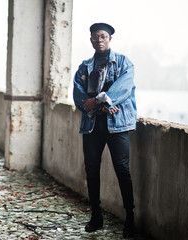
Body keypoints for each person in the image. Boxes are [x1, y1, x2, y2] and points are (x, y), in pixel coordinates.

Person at [73, 23, 137, 238]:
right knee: (91, 169)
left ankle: (130, 217)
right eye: (95, 37)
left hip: (117, 124)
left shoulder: (123, 63)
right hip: (92, 125)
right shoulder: (84, 66)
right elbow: (78, 95)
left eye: (103, 36)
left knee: (122, 168)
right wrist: (102, 103)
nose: (99, 39)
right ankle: (96, 216)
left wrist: (100, 100)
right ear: (91, 40)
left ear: (109, 38)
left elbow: (122, 89)